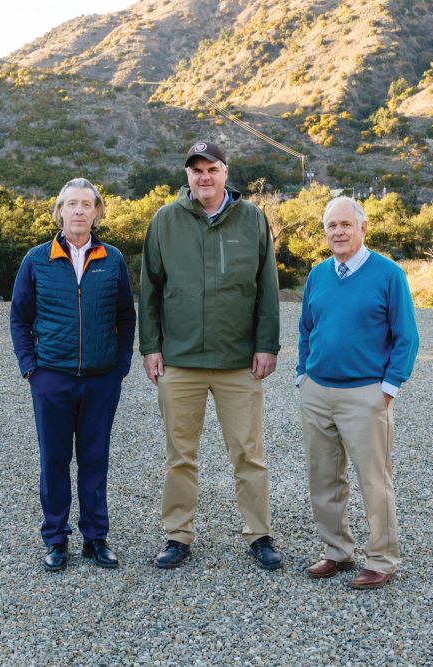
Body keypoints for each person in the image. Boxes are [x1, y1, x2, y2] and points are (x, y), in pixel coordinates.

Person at [139, 141, 282, 570]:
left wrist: (266, 344)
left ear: (226, 172)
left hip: (238, 361)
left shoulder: (253, 218)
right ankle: (177, 535)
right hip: (180, 360)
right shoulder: (165, 220)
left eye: (212, 168)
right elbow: (149, 289)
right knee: (180, 455)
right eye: (196, 169)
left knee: (248, 454)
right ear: (187, 176)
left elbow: (267, 288)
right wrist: (150, 347)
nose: (204, 176)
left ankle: (259, 534)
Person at [10, 178, 135, 572]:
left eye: (87, 204)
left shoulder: (112, 258)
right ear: (59, 211)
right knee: (55, 460)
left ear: (97, 213)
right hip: (52, 380)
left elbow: (125, 317)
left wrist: (119, 367)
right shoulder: (36, 259)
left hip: (100, 380)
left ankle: (96, 538)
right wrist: (31, 367)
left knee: (95, 460)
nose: (79, 211)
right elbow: (19, 318)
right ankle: (56, 539)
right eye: (72, 204)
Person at [297, 196, 419, 590]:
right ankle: (336, 551)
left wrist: (388, 388)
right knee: (324, 476)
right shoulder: (317, 275)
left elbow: (406, 337)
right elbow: (306, 329)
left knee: (373, 479)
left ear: (363, 228)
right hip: (318, 392)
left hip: (365, 394)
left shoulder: (388, 274)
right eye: (332, 225)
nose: (338, 232)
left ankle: (382, 559)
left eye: (346, 224)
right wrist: (303, 375)